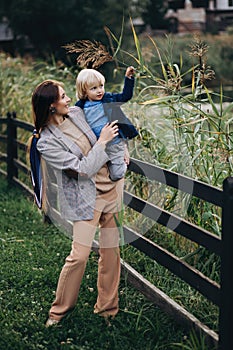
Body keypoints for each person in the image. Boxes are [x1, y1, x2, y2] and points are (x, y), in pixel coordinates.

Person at [29, 79, 125, 327]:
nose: (69, 99)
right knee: (79, 256)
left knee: (111, 252)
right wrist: (103, 142)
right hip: (85, 200)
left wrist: (121, 148)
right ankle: (58, 312)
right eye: (63, 97)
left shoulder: (78, 113)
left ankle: (107, 310)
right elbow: (82, 170)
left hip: (110, 191)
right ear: (51, 106)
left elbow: (108, 128)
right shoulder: (46, 142)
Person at [75, 66, 138, 181]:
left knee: (116, 175)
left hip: (114, 143)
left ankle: (123, 149)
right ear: (84, 91)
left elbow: (125, 96)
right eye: (94, 88)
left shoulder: (108, 98)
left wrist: (128, 78)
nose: (99, 90)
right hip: (97, 146)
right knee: (95, 174)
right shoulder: (80, 106)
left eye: (101, 86)